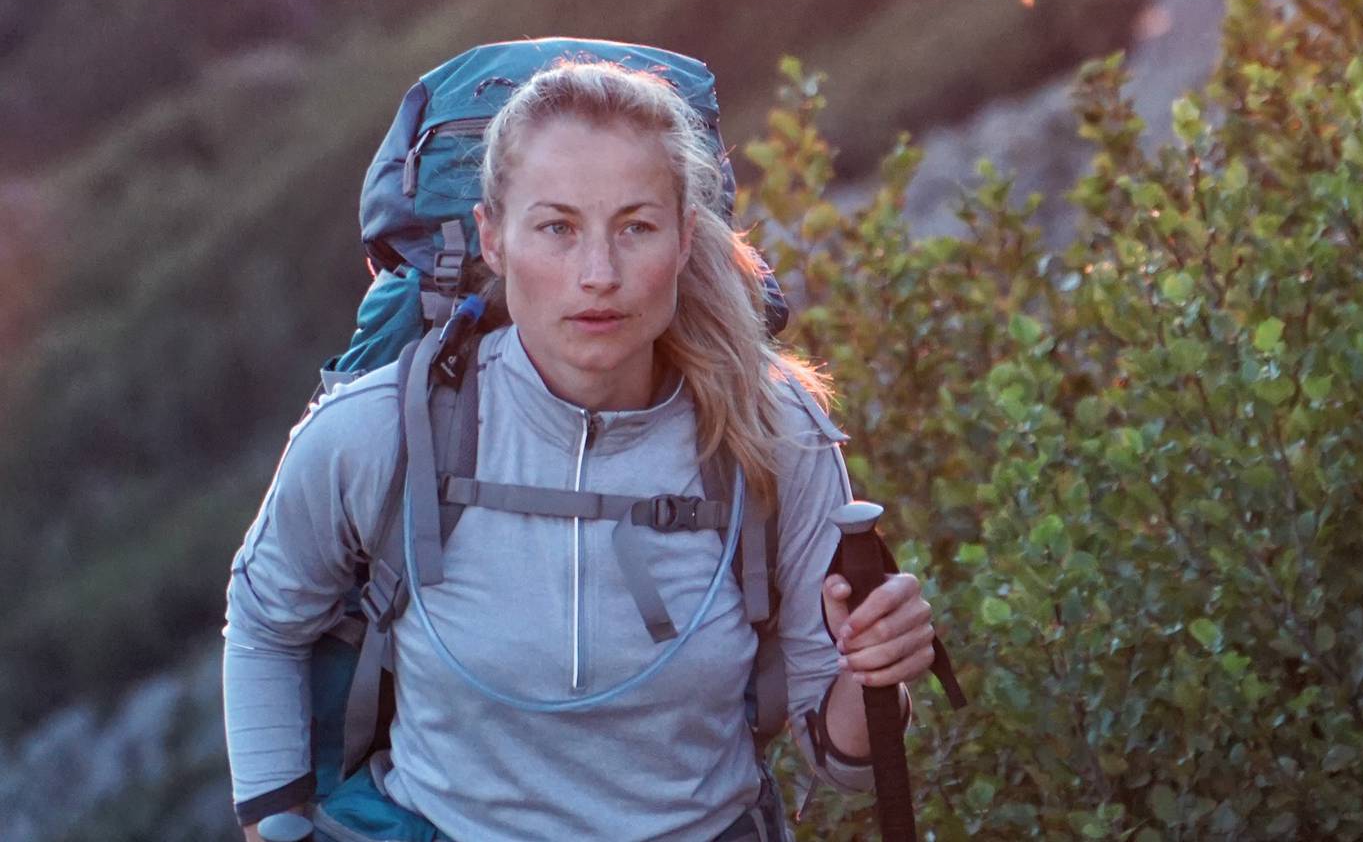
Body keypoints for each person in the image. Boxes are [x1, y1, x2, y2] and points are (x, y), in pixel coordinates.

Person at [223, 60, 938, 840]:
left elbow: (843, 759)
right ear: (493, 238)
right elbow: (265, 617)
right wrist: (270, 824)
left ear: (685, 237)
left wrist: (876, 672)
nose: (599, 275)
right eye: (557, 228)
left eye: (636, 227)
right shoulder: (386, 429)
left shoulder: (771, 430)